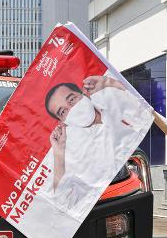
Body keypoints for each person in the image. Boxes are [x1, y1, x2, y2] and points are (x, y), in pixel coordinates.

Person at [44, 73, 148, 220]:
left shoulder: (114, 106)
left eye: (72, 99)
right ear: (62, 121)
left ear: (83, 94)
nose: (71, 109)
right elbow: (61, 202)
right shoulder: (73, 151)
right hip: (100, 214)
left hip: (124, 199)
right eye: (63, 111)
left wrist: (111, 83)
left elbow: (145, 116)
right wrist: (59, 154)